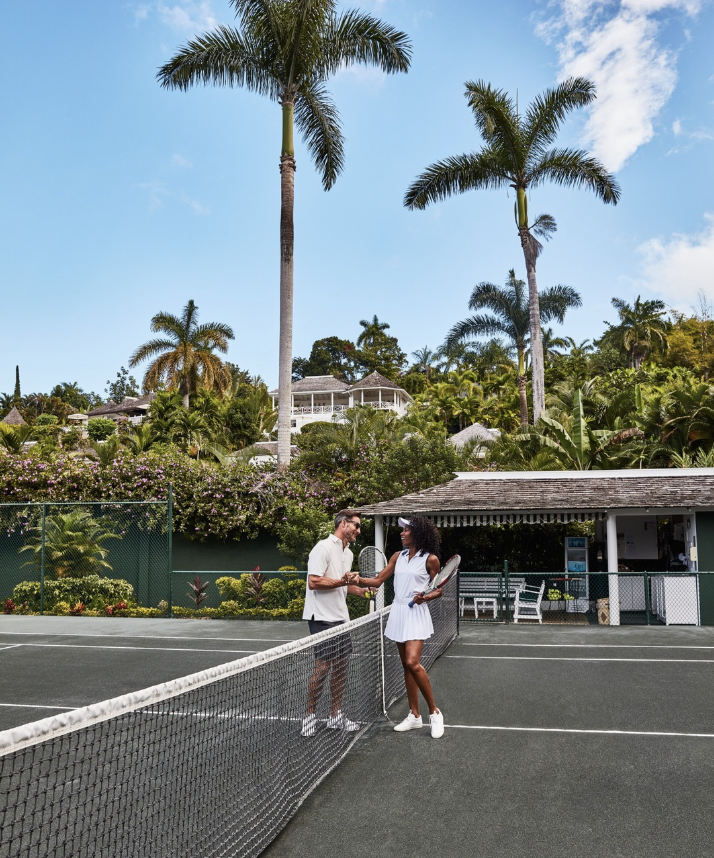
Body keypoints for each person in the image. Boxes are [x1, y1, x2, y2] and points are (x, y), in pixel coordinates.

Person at [353, 515, 445, 739]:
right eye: (402, 530)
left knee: (413, 662)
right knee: (406, 665)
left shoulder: (430, 559)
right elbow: (377, 581)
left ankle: (435, 712)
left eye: (406, 530)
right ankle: (414, 715)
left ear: (417, 533)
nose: (401, 533)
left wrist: (426, 597)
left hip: (416, 613)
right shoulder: (397, 556)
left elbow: (439, 589)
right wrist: (356, 579)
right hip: (399, 611)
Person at [301, 509, 371, 737]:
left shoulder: (348, 553)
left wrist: (362, 592)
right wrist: (342, 580)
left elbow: (343, 585)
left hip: (341, 619)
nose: (359, 531)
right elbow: (314, 582)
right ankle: (309, 717)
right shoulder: (322, 547)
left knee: (341, 668)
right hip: (321, 617)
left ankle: (334, 716)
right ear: (343, 524)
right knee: (322, 669)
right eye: (357, 526)